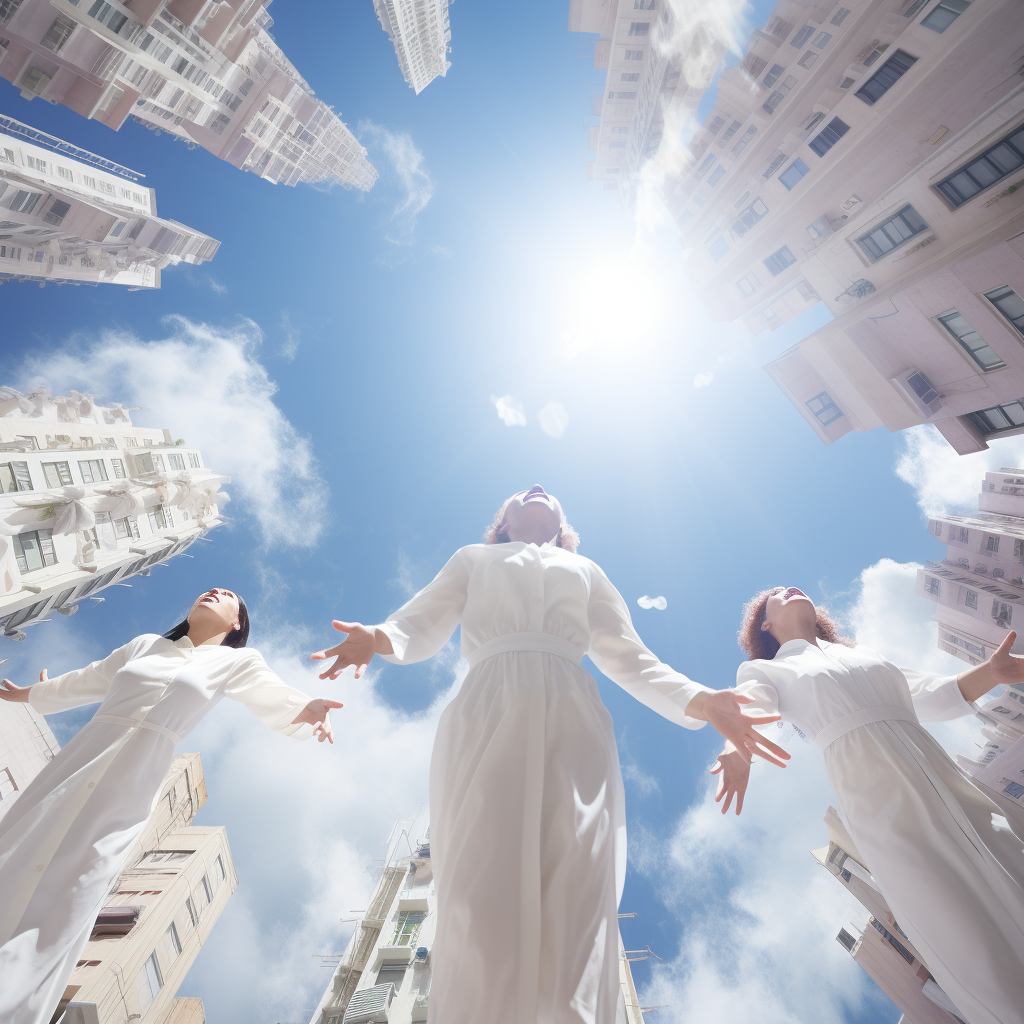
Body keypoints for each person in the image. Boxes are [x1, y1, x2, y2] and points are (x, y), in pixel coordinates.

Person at [311, 486, 788, 1024]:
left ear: (564, 525)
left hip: (573, 714)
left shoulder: (587, 572)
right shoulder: (474, 559)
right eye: (521, 491)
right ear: (504, 521)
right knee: (479, 884)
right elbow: (420, 620)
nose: (536, 487)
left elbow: (628, 654)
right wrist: (376, 637)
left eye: (548, 492)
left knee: (579, 888)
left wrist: (700, 701)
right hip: (488, 708)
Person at [0, 587, 342, 1024]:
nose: (215, 592)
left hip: (134, 778)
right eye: (210, 588)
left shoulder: (238, 661)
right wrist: (28, 695)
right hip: (81, 759)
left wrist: (308, 707)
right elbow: (87, 679)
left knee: (76, 885)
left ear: (237, 623)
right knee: (20, 846)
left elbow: (272, 694)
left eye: (228, 595)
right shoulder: (146, 645)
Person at [711, 585, 1024, 1024]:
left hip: (939, 775)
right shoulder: (765, 671)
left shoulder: (864, 655)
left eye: (790, 585)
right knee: (960, 923)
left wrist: (992, 672)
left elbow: (933, 693)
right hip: (874, 793)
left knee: (1010, 858)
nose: (787, 588)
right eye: (774, 595)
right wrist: (736, 748)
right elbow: (751, 709)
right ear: (764, 624)